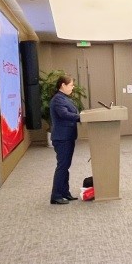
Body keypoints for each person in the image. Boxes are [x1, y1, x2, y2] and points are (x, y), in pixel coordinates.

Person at [49, 76, 81, 204]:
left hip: (67, 136)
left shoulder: (65, 98)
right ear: (63, 85)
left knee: (65, 166)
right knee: (62, 166)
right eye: (71, 85)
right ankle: (56, 196)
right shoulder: (58, 99)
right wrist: (81, 117)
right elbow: (64, 114)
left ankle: (65, 193)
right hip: (62, 138)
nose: (73, 87)